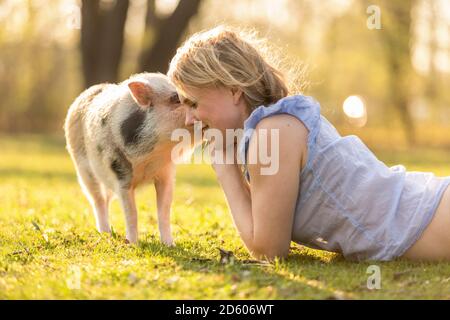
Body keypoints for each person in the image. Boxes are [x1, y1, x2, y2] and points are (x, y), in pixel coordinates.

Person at [167, 25, 450, 262]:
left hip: (434, 217)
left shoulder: (272, 134)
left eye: (194, 103)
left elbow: (268, 250)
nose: (190, 119)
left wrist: (224, 166)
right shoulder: (276, 125)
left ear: (233, 90)